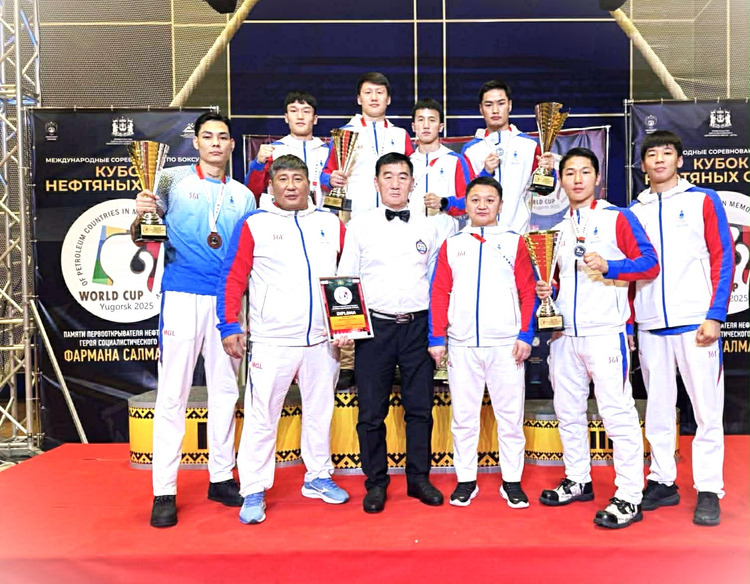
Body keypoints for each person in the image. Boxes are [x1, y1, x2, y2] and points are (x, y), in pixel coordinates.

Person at [135, 111, 257, 528]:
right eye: (208, 136)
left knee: (225, 391)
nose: (216, 143)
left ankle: (221, 477)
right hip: (182, 294)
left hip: (227, 302)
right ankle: (164, 490)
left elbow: (246, 253)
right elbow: (142, 233)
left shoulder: (244, 196)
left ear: (232, 144)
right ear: (197, 142)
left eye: (223, 137)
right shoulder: (170, 181)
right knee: (173, 393)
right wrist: (141, 212)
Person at [217, 154, 350, 525]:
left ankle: (318, 476)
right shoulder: (254, 224)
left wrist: (346, 328)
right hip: (272, 340)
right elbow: (233, 277)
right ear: (271, 185)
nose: (291, 186)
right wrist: (228, 324)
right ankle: (253, 488)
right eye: (283, 179)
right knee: (262, 417)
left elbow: (348, 277)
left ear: (310, 183)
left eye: (298, 178)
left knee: (320, 412)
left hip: (322, 340)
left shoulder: (330, 223)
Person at [536, 147, 659, 529]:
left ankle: (629, 496)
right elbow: (560, 280)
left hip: (605, 332)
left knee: (617, 415)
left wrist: (611, 266)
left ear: (597, 177)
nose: (577, 179)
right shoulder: (557, 229)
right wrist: (548, 292)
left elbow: (650, 263)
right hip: (564, 336)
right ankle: (578, 478)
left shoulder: (617, 217)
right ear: (560, 180)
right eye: (569, 172)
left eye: (584, 172)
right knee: (567, 412)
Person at [630, 130, 734, 526]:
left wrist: (715, 314)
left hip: (696, 322)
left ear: (679, 160)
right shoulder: (633, 211)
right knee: (657, 409)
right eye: (652, 154)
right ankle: (662, 480)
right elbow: (630, 273)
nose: (659, 159)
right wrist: (631, 323)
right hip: (651, 324)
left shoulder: (702, 200)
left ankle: (708, 488)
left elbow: (723, 256)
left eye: (667, 152)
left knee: (707, 410)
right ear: (642, 165)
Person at [337, 152, 442, 513]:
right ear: (376, 182)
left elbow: (437, 284)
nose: (395, 184)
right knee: (371, 411)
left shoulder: (430, 227)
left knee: (420, 409)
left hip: (418, 327)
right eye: (388, 176)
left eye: (402, 177)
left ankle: (419, 479)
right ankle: (376, 483)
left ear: (413, 183)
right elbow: (346, 278)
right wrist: (345, 327)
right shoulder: (359, 226)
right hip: (374, 329)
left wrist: (438, 334)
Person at [428, 176, 536, 508]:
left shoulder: (515, 242)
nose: (482, 205)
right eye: (475, 199)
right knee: (463, 418)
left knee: (510, 418)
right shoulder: (452, 244)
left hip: (506, 345)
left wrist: (525, 334)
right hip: (462, 345)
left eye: (490, 200)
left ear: (500, 204)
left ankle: (512, 480)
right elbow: (440, 292)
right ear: (466, 204)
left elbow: (528, 291)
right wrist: (437, 336)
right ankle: (466, 480)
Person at [449, 79, 554, 234]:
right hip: (479, 235)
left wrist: (549, 172)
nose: (495, 110)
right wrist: (485, 172)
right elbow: (465, 197)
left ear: (510, 105)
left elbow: (543, 190)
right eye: (489, 105)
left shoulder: (529, 145)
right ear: (481, 109)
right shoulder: (471, 150)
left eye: (501, 103)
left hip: (518, 234)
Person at [320, 72, 414, 218]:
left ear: (388, 99)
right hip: (355, 216)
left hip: (395, 215)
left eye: (379, 92)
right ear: (359, 99)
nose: (374, 98)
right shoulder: (344, 134)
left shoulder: (401, 135)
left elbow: (413, 176)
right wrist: (331, 180)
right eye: (368, 92)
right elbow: (325, 175)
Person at [245, 91, 329, 209]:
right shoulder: (273, 151)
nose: (300, 117)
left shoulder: (328, 152)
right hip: (281, 216)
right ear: (286, 117)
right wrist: (258, 164)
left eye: (306, 111)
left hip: (321, 216)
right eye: (293, 111)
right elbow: (251, 193)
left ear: (315, 119)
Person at [409, 97, 473, 243]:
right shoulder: (407, 164)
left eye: (432, 120)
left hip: (446, 242)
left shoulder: (456, 160)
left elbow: (470, 202)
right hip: (412, 242)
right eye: (420, 120)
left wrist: (444, 203)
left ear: (441, 127)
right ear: (413, 126)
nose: (426, 126)